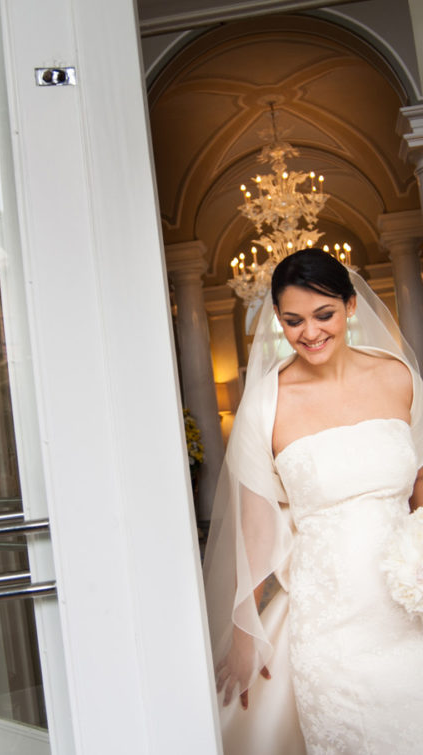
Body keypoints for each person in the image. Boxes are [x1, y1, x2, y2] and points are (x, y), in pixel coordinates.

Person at [203, 248, 423, 754]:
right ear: (277, 321)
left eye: (324, 315)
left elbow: (415, 489)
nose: (310, 333)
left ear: (349, 306)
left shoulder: (398, 376)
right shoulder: (266, 404)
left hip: (409, 607)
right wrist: (243, 632)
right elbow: (256, 529)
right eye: (293, 320)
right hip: (331, 622)